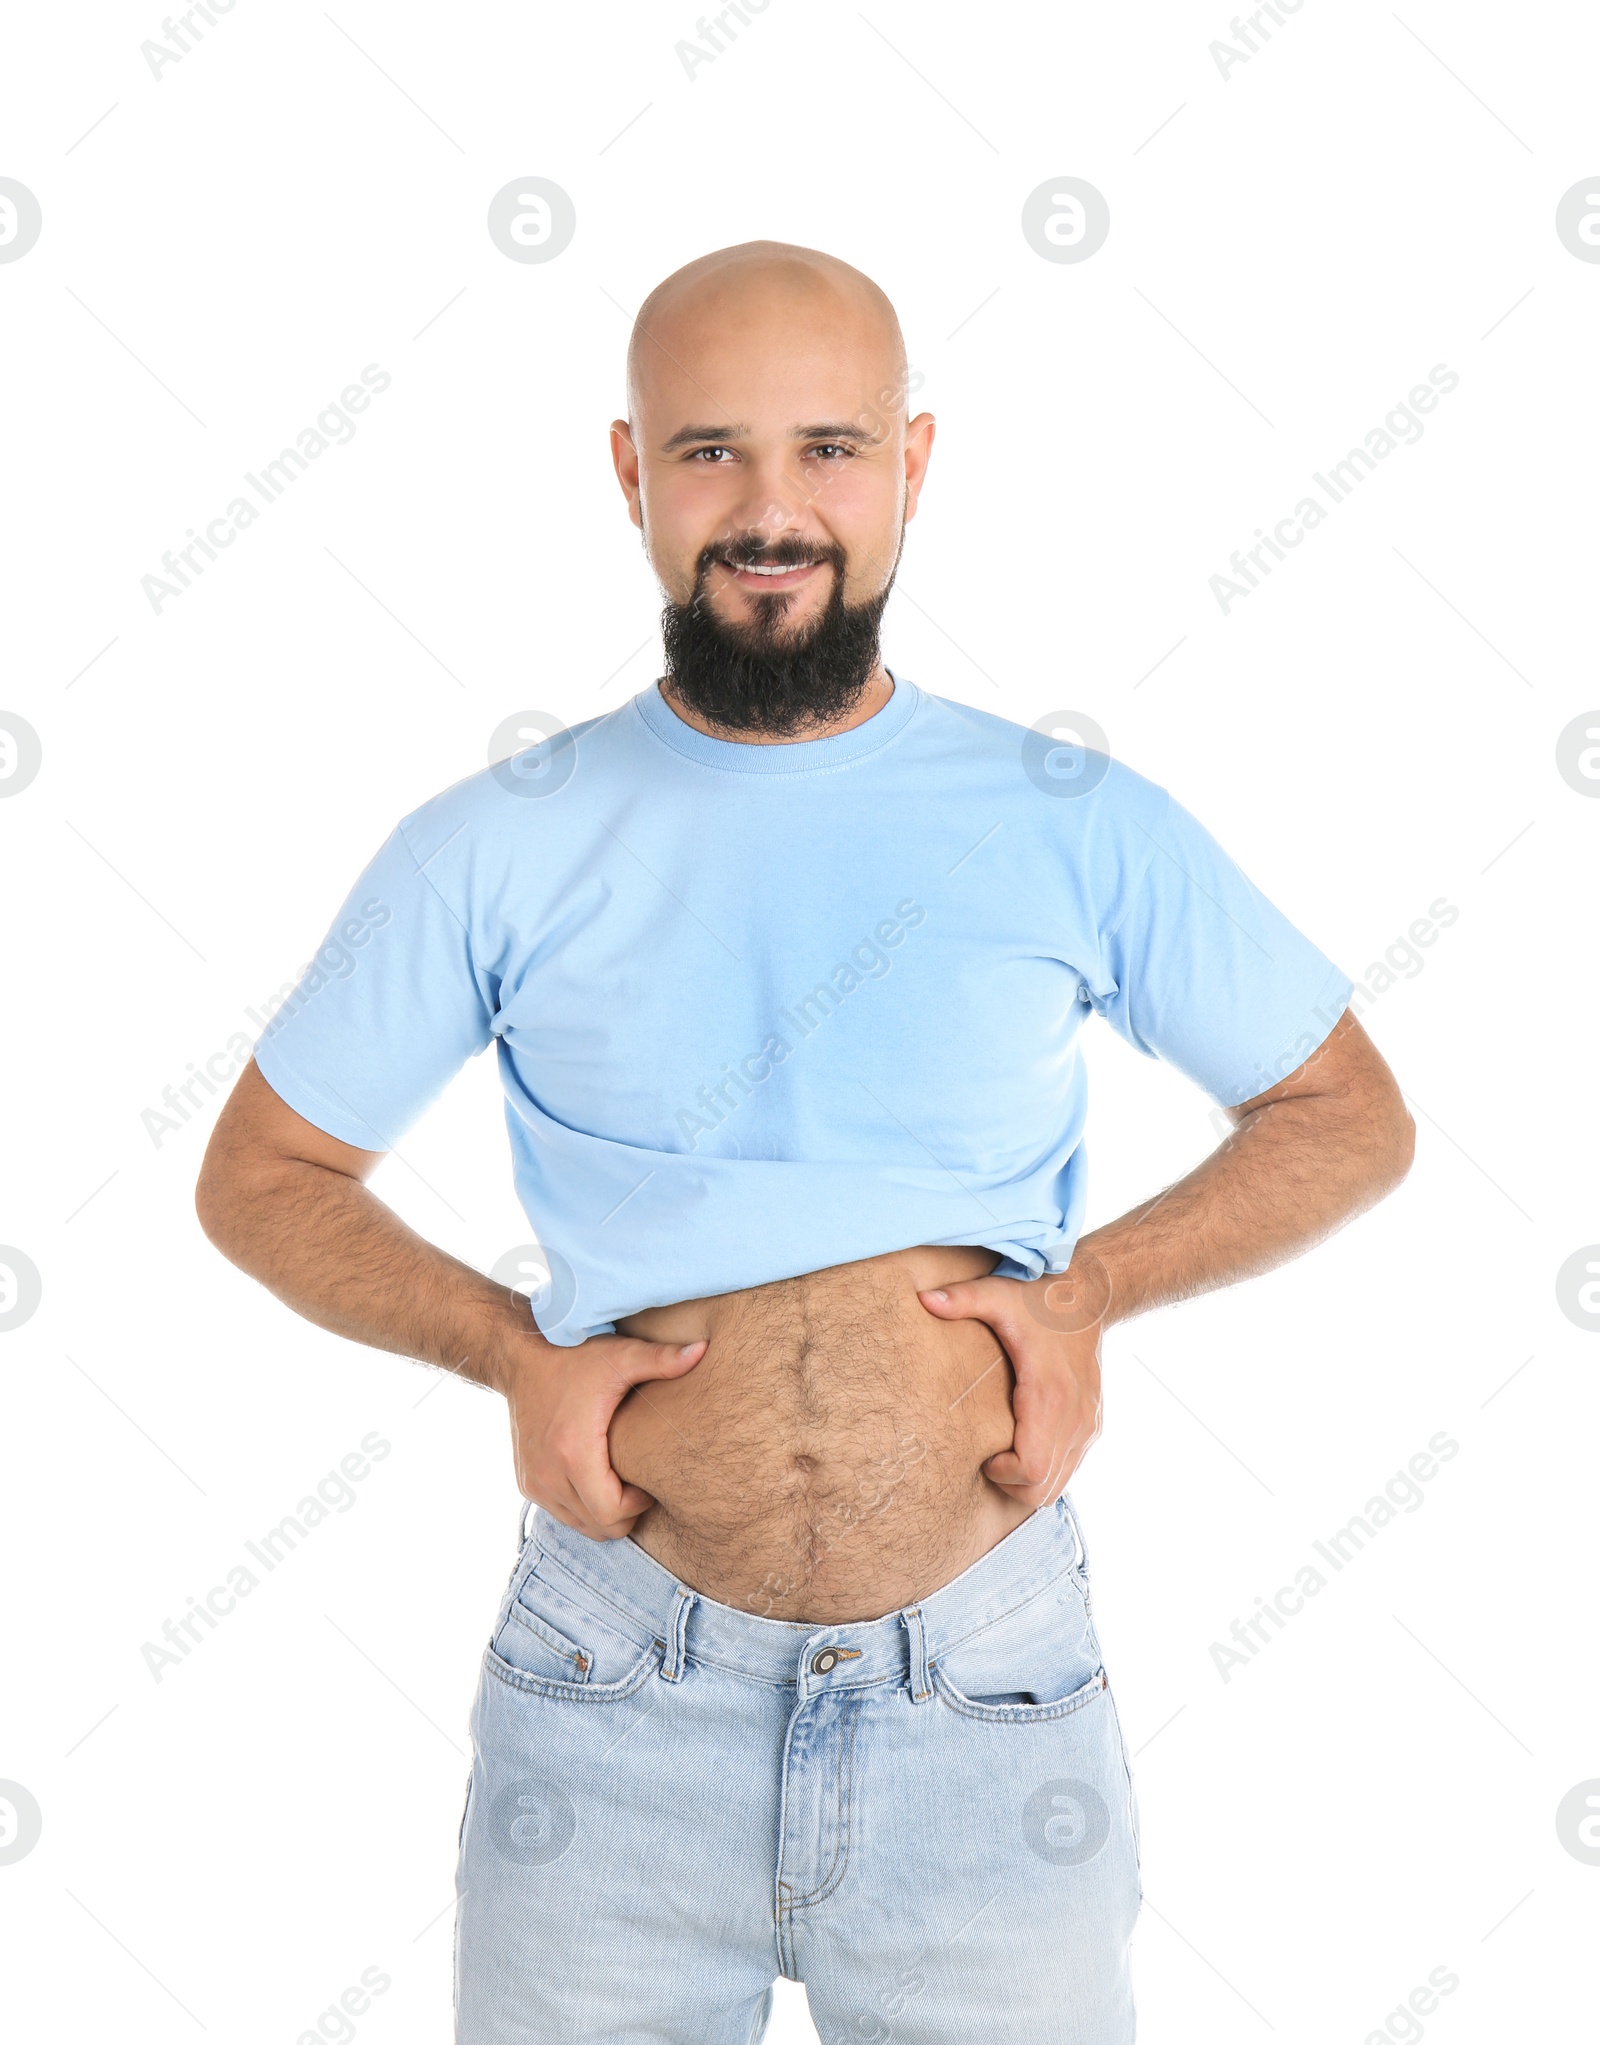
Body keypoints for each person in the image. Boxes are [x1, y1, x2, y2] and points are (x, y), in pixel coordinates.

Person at [196, 240, 1413, 2043]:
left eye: (830, 450)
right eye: (710, 453)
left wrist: (1090, 1299)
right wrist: (506, 1354)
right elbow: (261, 1178)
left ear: (914, 463)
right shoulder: (497, 843)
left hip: (985, 1700)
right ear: (631, 474)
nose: (773, 511)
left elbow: (1346, 1115)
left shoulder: (1069, 818)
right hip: (611, 1696)